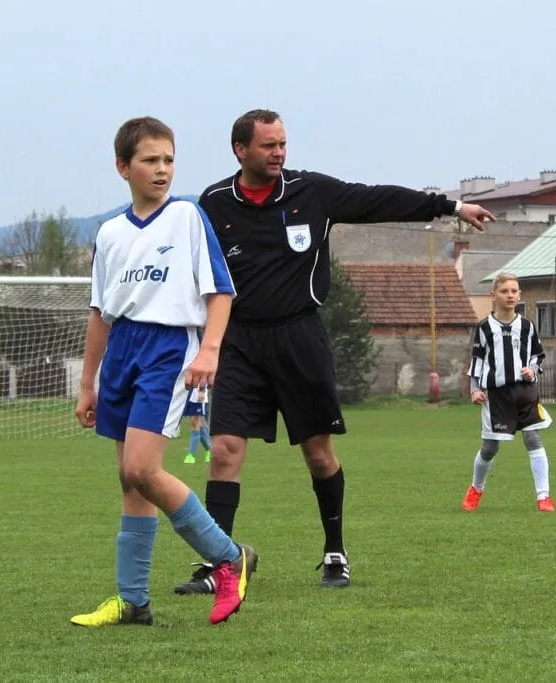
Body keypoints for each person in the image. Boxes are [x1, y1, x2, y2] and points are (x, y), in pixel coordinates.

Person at [173, 108, 495, 595]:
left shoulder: (311, 192)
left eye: (283, 144)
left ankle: (335, 552)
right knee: (223, 451)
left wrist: (449, 207)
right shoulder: (214, 204)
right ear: (240, 150)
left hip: (300, 338)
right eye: (268, 146)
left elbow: (376, 199)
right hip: (239, 342)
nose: (279, 153)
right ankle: (220, 562)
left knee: (318, 453)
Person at [70, 116, 256, 627]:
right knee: (130, 483)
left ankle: (229, 557)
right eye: (150, 160)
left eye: (169, 159)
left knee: (142, 470)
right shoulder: (109, 234)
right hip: (122, 352)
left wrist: (209, 351)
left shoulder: (188, 218)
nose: (162, 169)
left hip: (168, 349)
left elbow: (221, 292)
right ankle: (133, 601)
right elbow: (99, 313)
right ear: (122, 167)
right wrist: (88, 384)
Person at [461, 273, 556, 513]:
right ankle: (476, 488)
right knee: (490, 448)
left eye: (514, 291)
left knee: (533, 439)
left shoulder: (527, 326)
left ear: (519, 295)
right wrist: (474, 390)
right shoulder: (484, 327)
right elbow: (477, 361)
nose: (510, 295)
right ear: (493, 295)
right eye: (505, 291)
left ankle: (543, 497)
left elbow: (537, 355)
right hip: (496, 396)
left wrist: (532, 371)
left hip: (524, 392)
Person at [183, 387, 212, 464]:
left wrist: (201, 390)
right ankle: (211, 450)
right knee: (199, 424)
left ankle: (191, 455)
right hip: (188, 393)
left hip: (197, 394)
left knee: (195, 423)